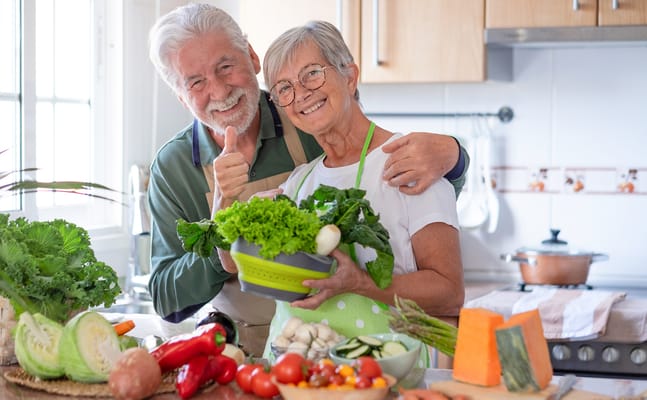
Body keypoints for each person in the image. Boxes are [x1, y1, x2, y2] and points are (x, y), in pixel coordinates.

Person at [147, 4, 468, 357]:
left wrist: (454, 156)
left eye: (226, 67)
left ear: (251, 58)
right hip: (253, 350)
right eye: (196, 82)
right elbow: (170, 296)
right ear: (181, 96)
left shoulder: (317, 123)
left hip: (371, 355)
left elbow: (413, 202)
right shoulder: (176, 168)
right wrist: (224, 221)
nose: (221, 91)